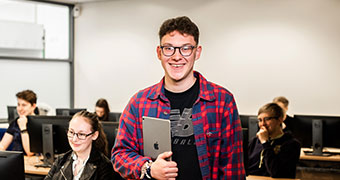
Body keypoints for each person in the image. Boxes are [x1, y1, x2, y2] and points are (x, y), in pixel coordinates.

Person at [111, 16, 245, 179]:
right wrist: (148, 168)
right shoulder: (139, 103)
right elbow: (120, 154)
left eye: (186, 48)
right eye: (169, 48)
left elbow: (233, 170)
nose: (177, 56)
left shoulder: (222, 101)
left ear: (197, 52)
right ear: (159, 53)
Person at [45, 110, 114, 180]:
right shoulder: (60, 161)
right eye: (71, 132)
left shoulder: (105, 167)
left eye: (81, 134)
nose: (74, 139)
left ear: (94, 135)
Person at [248, 103, 301, 178]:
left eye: (266, 119)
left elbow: (276, 173)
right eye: (260, 120)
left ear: (280, 120)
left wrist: (265, 143)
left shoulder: (292, 144)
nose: (262, 124)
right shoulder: (254, 142)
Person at [0, 90, 36, 156]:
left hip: (31, 162)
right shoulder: (16, 122)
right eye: (18, 105)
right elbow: (2, 145)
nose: (20, 108)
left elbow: (29, 153)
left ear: (33, 106)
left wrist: (23, 128)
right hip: (16, 159)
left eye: (24, 105)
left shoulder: (37, 124)